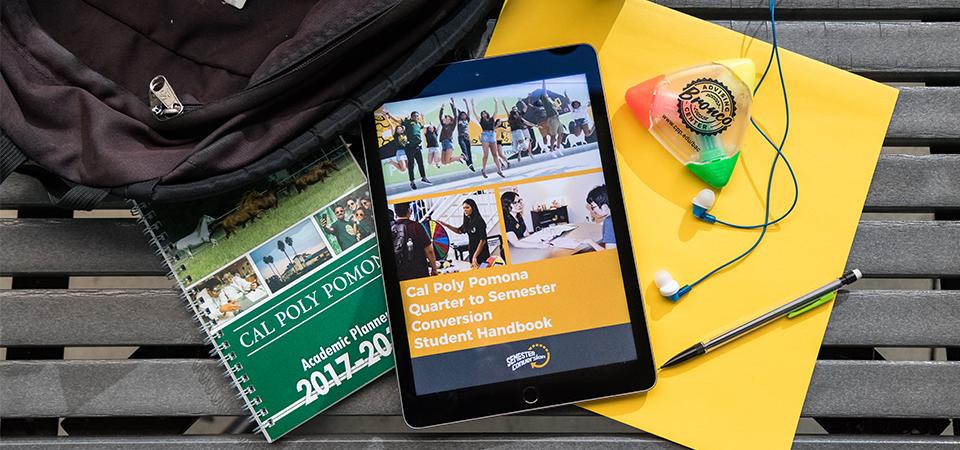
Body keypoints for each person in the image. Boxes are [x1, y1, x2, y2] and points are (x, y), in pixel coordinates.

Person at [435, 198, 491, 269]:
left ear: (473, 208)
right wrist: (446, 225)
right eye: (464, 208)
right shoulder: (468, 221)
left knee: (483, 271)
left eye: (467, 207)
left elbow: (483, 241)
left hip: (482, 254)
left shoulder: (480, 221)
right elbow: (459, 231)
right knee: (474, 272)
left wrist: (475, 256)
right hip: (472, 253)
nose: (465, 210)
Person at [386, 110, 433, 190]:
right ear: (411, 117)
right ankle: (412, 182)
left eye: (417, 116)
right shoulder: (408, 122)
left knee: (420, 163)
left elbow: (424, 126)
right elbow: (398, 120)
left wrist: (430, 125)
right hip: (409, 147)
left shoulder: (418, 124)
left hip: (417, 147)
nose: (416, 117)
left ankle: (424, 178)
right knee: (411, 165)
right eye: (415, 116)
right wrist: (389, 114)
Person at [392, 202, 438, 280]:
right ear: (409, 211)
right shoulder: (416, 226)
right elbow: (429, 250)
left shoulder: (392, 228)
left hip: (400, 273)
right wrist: (434, 269)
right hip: (419, 271)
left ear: (395, 213)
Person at [467, 97, 504, 179]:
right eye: (482, 114)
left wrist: (496, 102)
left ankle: (499, 170)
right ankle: (483, 170)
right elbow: (474, 113)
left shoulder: (492, 119)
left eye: (484, 113)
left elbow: (496, 111)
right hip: (485, 135)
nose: (483, 115)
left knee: (495, 154)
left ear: (487, 114)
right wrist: (472, 105)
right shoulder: (481, 121)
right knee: (486, 155)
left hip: (492, 135)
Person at [584, 185, 617, 250]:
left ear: (604, 206)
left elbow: (609, 254)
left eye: (593, 207)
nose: (593, 211)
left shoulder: (609, 222)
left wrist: (590, 242)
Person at [537, 80, 563, 156]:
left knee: (561, 134)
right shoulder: (545, 100)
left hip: (557, 118)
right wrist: (543, 82)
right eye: (545, 94)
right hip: (552, 119)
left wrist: (557, 109)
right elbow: (544, 90)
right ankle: (552, 150)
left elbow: (555, 107)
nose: (547, 94)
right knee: (553, 135)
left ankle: (557, 148)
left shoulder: (550, 101)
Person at [450, 98, 476, 171]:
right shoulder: (459, 120)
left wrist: (466, 102)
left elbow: (468, 111)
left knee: (469, 152)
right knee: (464, 151)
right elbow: (455, 110)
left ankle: (470, 164)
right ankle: (462, 158)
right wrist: (453, 101)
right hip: (461, 137)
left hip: (467, 137)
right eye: (462, 115)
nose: (463, 116)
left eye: (464, 115)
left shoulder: (467, 120)